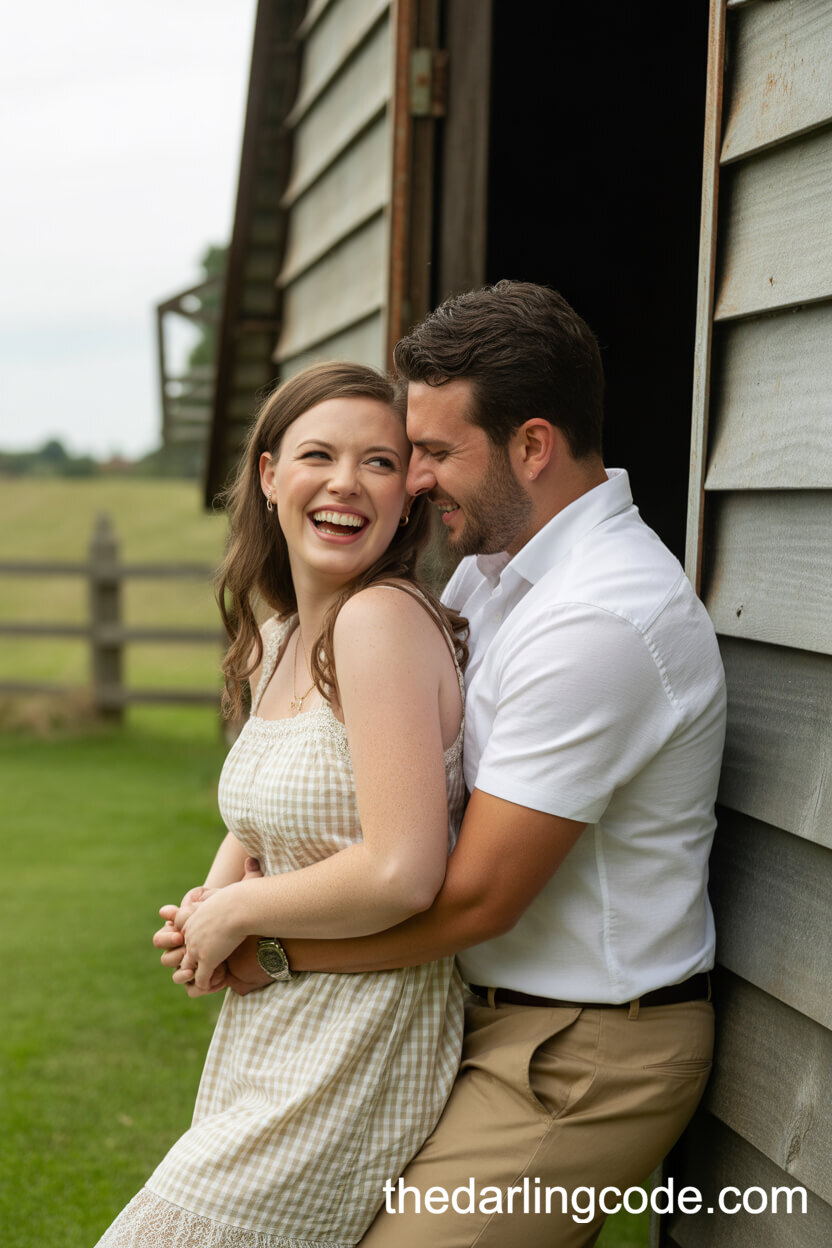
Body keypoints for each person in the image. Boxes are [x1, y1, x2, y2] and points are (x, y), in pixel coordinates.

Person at [161, 280, 727, 1247]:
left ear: (533, 445)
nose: (411, 481)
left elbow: (473, 900)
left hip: (581, 1051)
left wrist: (272, 947)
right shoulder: (494, 575)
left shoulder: (600, 615)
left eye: (429, 452)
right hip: (476, 1017)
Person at [95, 361, 469, 1248]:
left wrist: (242, 910)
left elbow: (404, 869)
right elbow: (260, 814)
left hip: (360, 1036)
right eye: (318, 455)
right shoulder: (280, 636)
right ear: (269, 477)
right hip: (273, 1027)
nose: (346, 483)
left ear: (407, 496)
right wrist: (204, 910)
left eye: (379, 463)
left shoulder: (379, 624)